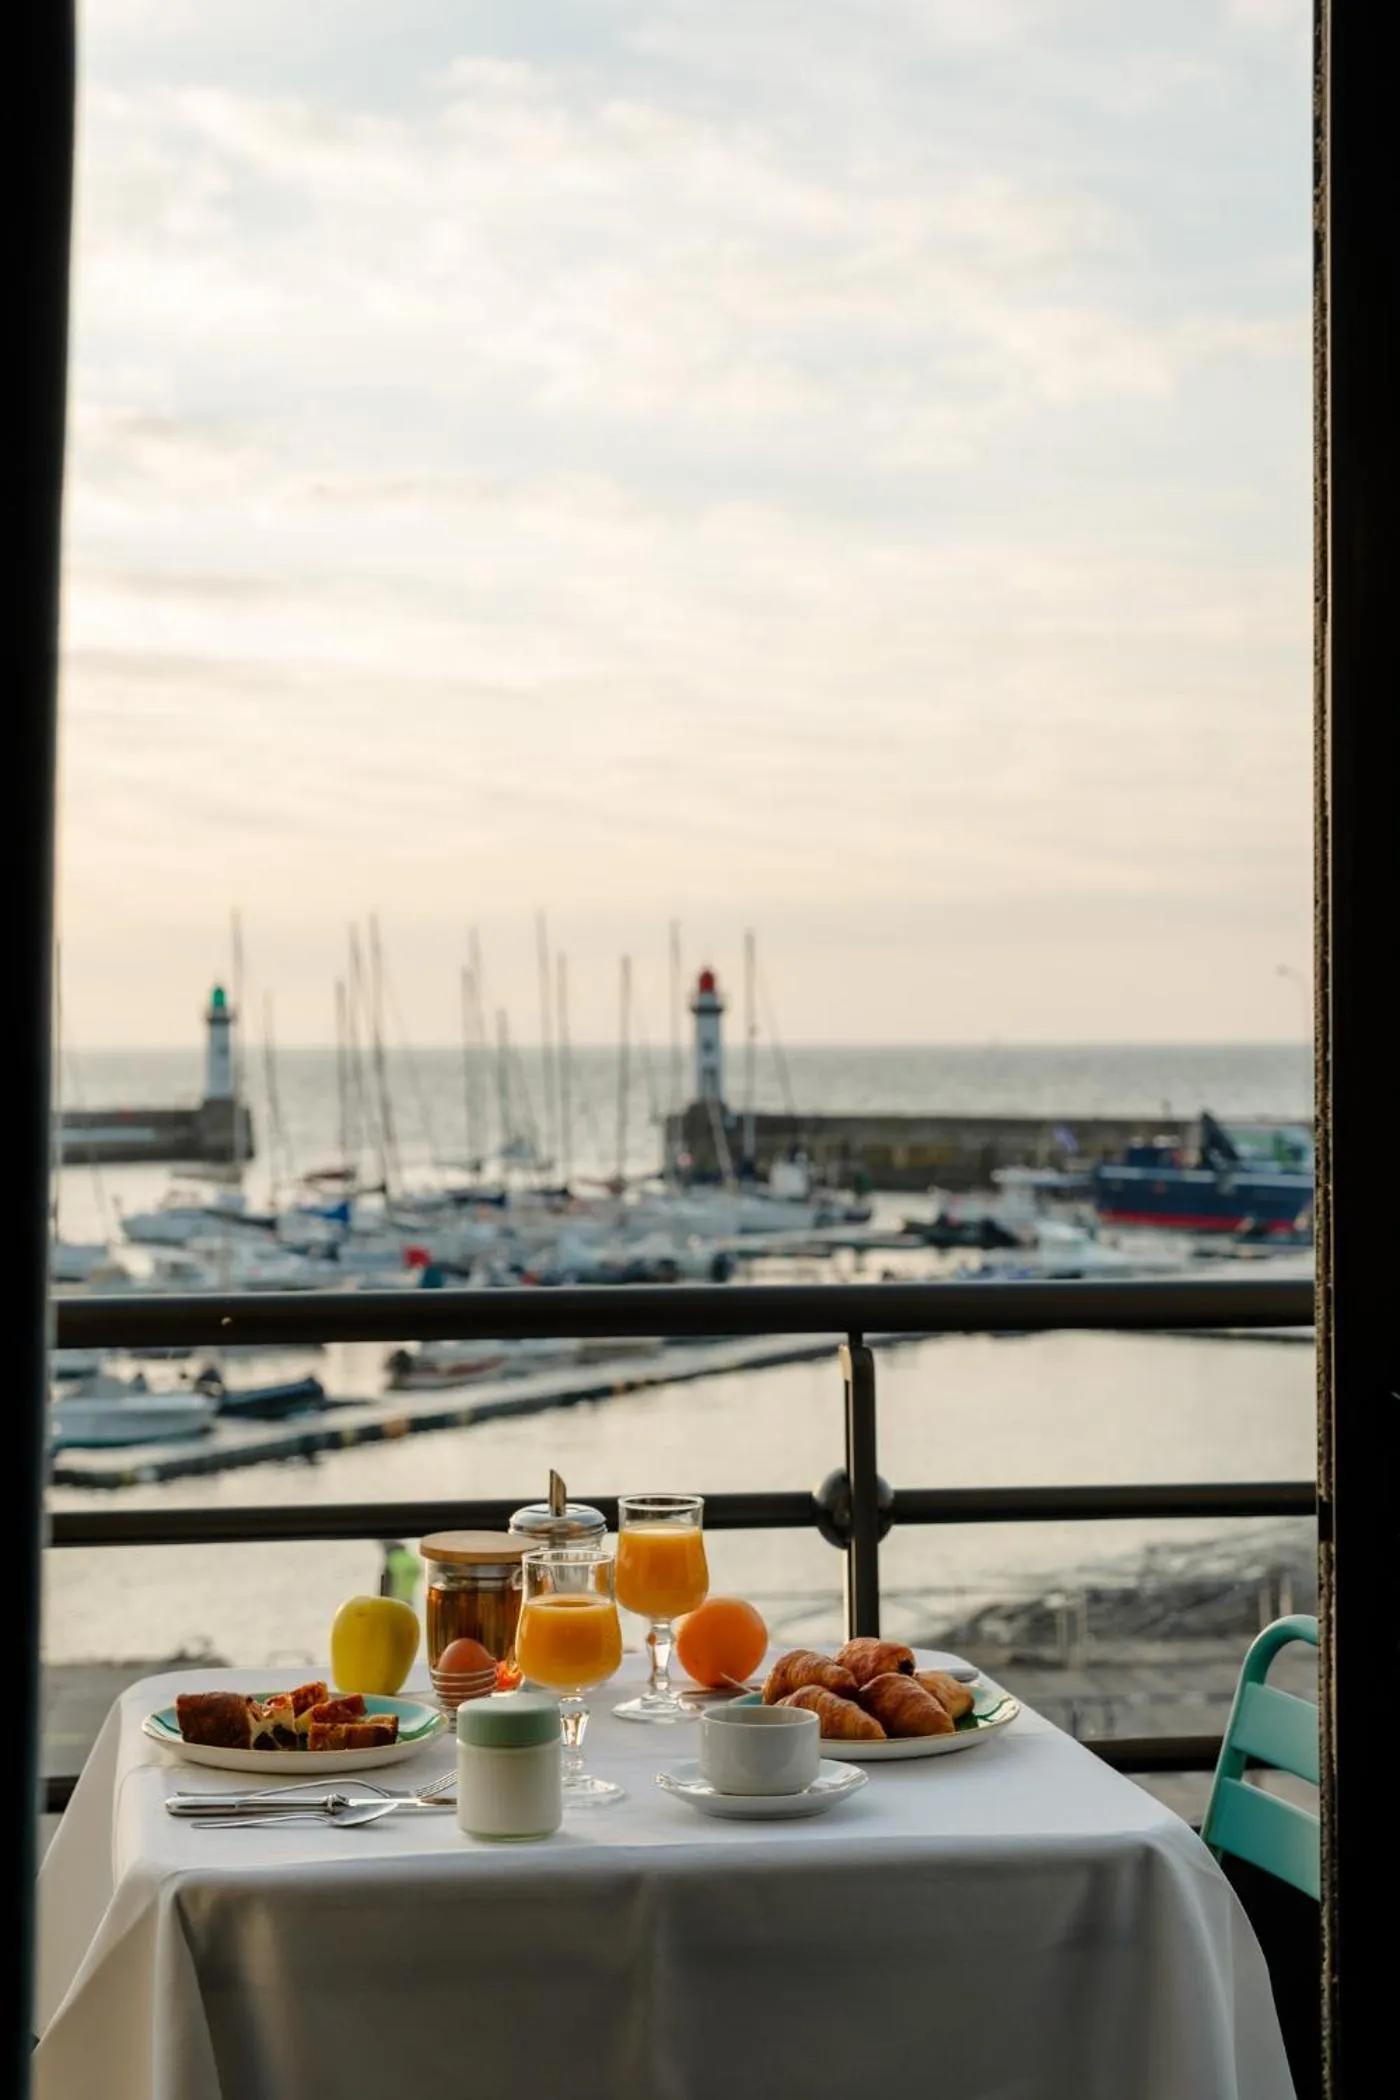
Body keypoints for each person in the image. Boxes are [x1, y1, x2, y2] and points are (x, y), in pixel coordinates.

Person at [379, 1540, 419, 1606]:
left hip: (394, 1600)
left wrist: (382, 1599)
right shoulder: (411, 1559)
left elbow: (385, 1583)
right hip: (408, 1598)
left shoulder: (392, 1559)